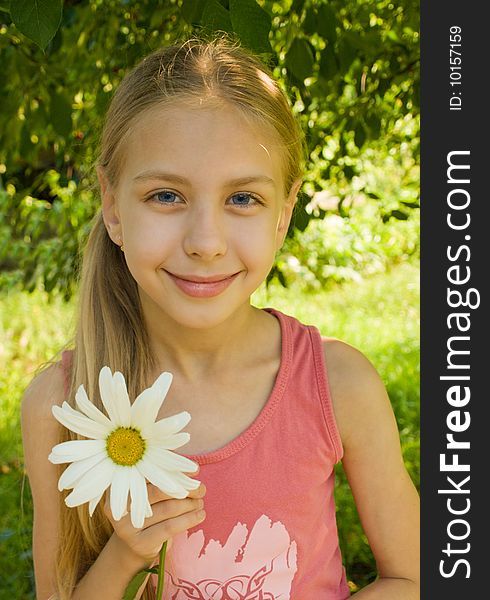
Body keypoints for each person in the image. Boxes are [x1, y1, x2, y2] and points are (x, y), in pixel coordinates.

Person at [21, 37, 419, 600]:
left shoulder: (338, 384)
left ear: (283, 214)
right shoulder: (61, 406)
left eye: (242, 199)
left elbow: (418, 577)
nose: (205, 243)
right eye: (165, 196)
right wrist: (127, 552)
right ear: (113, 208)